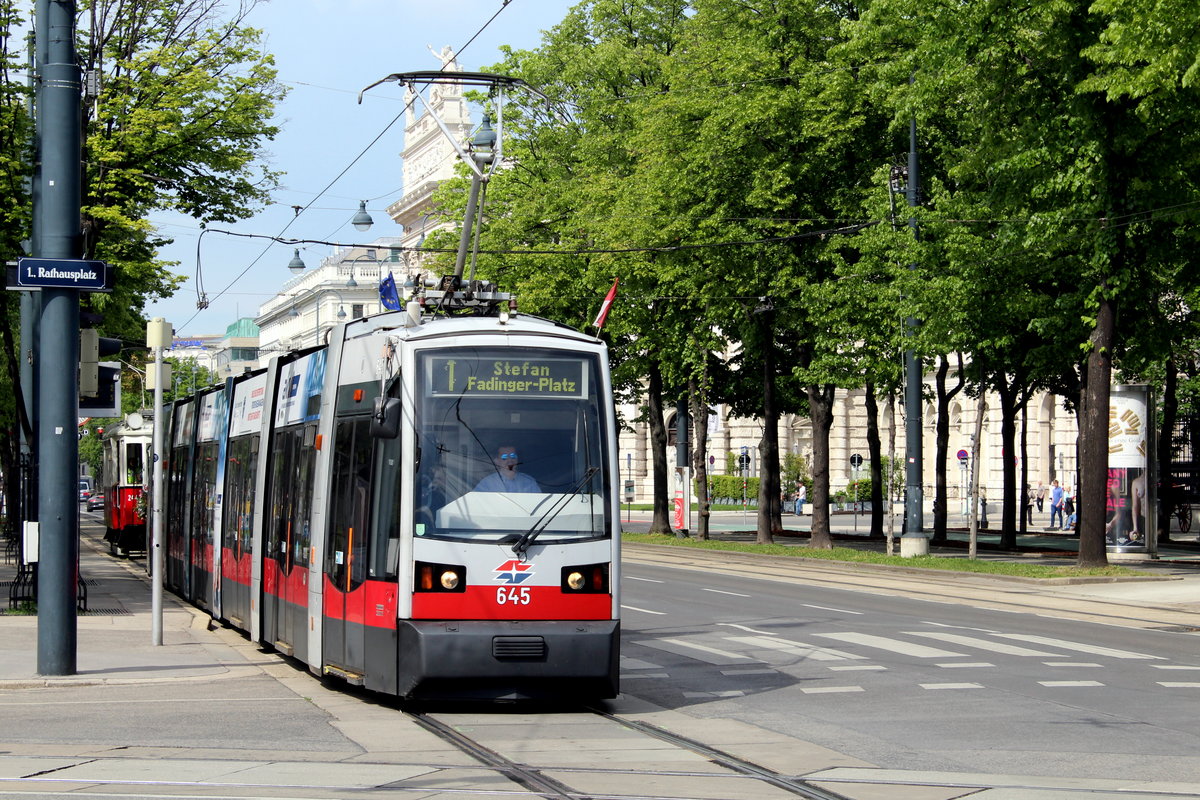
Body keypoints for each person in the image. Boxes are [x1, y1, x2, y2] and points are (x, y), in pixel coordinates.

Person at [474, 445, 540, 493]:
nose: (510, 460)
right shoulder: (487, 483)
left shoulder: (529, 481)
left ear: (517, 459)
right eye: (504, 457)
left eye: (513, 456)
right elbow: (477, 503)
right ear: (497, 461)